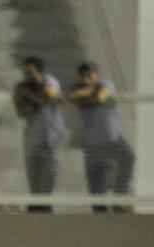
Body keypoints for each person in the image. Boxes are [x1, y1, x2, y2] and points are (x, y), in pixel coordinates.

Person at [70, 61, 135, 213]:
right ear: (78, 76)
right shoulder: (76, 88)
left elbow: (100, 97)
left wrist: (85, 94)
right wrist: (86, 93)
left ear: (96, 74)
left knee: (128, 158)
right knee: (96, 187)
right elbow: (73, 96)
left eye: (90, 74)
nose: (87, 78)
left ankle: (119, 199)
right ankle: (103, 213)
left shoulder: (106, 84)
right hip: (92, 143)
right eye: (83, 75)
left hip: (111, 138)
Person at [12, 56, 66, 213]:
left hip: (51, 133)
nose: (27, 75)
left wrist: (34, 96)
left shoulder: (50, 81)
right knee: (32, 171)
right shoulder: (21, 87)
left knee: (49, 171)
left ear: (40, 72)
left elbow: (56, 99)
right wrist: (36, 100)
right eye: (25, 72)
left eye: (30, 72)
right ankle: (36, 203)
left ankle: (45, 203)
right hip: (32, 134)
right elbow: (21, 112)